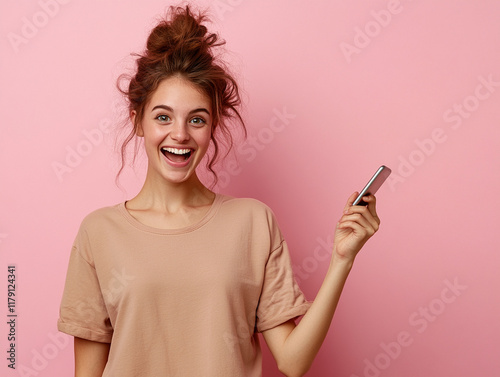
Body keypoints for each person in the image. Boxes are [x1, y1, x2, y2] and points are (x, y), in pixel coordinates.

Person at [57, 5, 380, 377]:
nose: (180, 134)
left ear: (212, 127)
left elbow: (292, 361)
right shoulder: (98, 232)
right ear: (138, 120)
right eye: (163, 116)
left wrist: (343, 259)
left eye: (197, 119)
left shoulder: (253, 222)